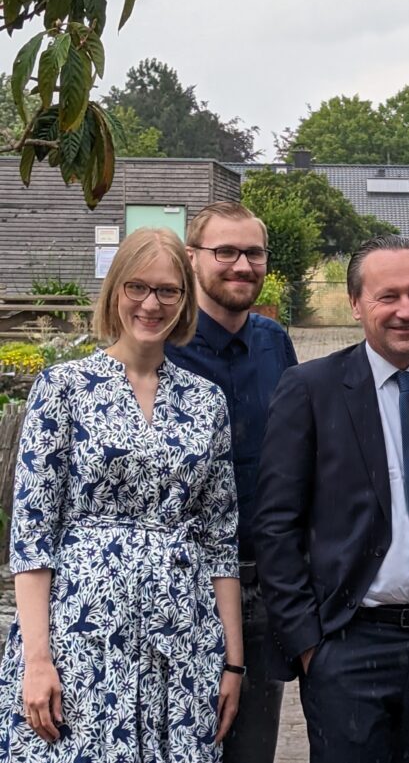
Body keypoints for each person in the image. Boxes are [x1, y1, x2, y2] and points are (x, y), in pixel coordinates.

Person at [253, 234, 409, 763]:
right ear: (355, 304)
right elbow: (276, 525)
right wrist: (308, 645)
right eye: (386, 296)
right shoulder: (310, 389)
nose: (406, 310)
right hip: (347, 644)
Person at [0, 227, 242, 761]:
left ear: (184, 301)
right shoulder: (64, 388)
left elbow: (220, 539)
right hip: (81, 636)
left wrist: (232, 661)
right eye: (137, 287)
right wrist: (37, 660)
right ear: (114, 291)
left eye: (168, 291)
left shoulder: (206, 402)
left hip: (183, 637)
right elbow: (33, 535)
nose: (151, 304)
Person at [166, 201, 297, 763]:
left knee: (250, 745)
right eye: (225, 252)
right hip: (179, 590)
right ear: (192, 257)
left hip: (262, 586)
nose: (242, 265)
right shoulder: (160, 350)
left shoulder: (275, 344)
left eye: (253, 252)